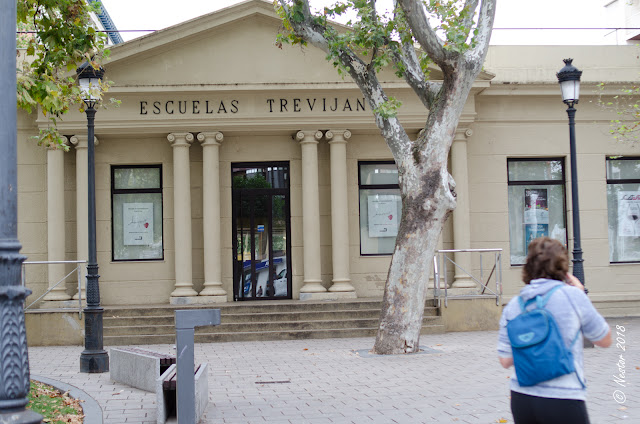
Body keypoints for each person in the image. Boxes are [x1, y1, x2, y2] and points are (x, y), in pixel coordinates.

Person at [497, 237, 612, 424]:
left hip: (522, 397)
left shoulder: (514, 305)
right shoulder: (573, 296)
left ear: (529, 266)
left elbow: (505, 360)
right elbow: (604, 340)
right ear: (563, 267)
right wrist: (580, 293)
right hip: (563, 396)